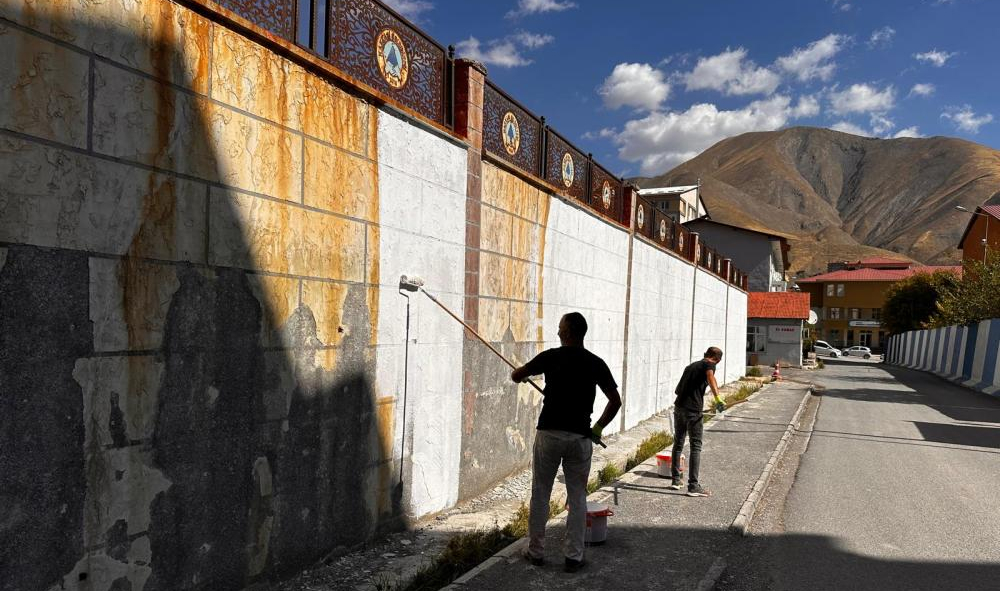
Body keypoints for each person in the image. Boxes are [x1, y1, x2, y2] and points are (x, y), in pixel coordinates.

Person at [510, 312, 622, 573]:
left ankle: (535, 551)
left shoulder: (550, 357)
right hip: (580, 438)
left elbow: (516, 375)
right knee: (577, 497)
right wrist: (598, 428)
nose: (558, 332)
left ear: (569, 332)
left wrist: (524, 376)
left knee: (540, 493)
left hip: (549, 434)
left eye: (560, 328)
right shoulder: (596, 363)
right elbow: (615, 401)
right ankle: (573, 556)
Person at [669, 347, 725, 497]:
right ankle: (693, 486)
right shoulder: (709, 364)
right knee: (696, 446)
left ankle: (675, 480)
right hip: (693, 411)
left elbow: (677, 390)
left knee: (678, 443)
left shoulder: (690, 366)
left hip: (679, 407)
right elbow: (710, 377)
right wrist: (718, 398)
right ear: (716, 359)